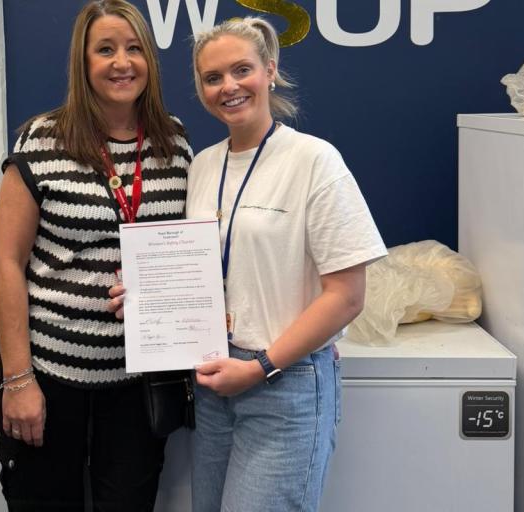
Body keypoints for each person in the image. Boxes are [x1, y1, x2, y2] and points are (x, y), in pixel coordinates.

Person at [0, 1, 192, 510]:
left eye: (134, 48)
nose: (122, 62)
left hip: (137, 382)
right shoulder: (41, 140)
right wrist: (18, 380)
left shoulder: (174, 143)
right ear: (83, 63)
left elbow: (188, 259)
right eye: (105, 49)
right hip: (50, 374)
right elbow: (6, 264)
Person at [186, 17, 387, 512]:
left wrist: (260, 367)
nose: (229, 87)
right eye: (213, 78)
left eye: (242, 70)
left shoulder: (314, 161)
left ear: (269, 71)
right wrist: (147, 296)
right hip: (215, 384)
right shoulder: (202, 165)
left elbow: (347, 295)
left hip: (284, 384)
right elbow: (197, 270)